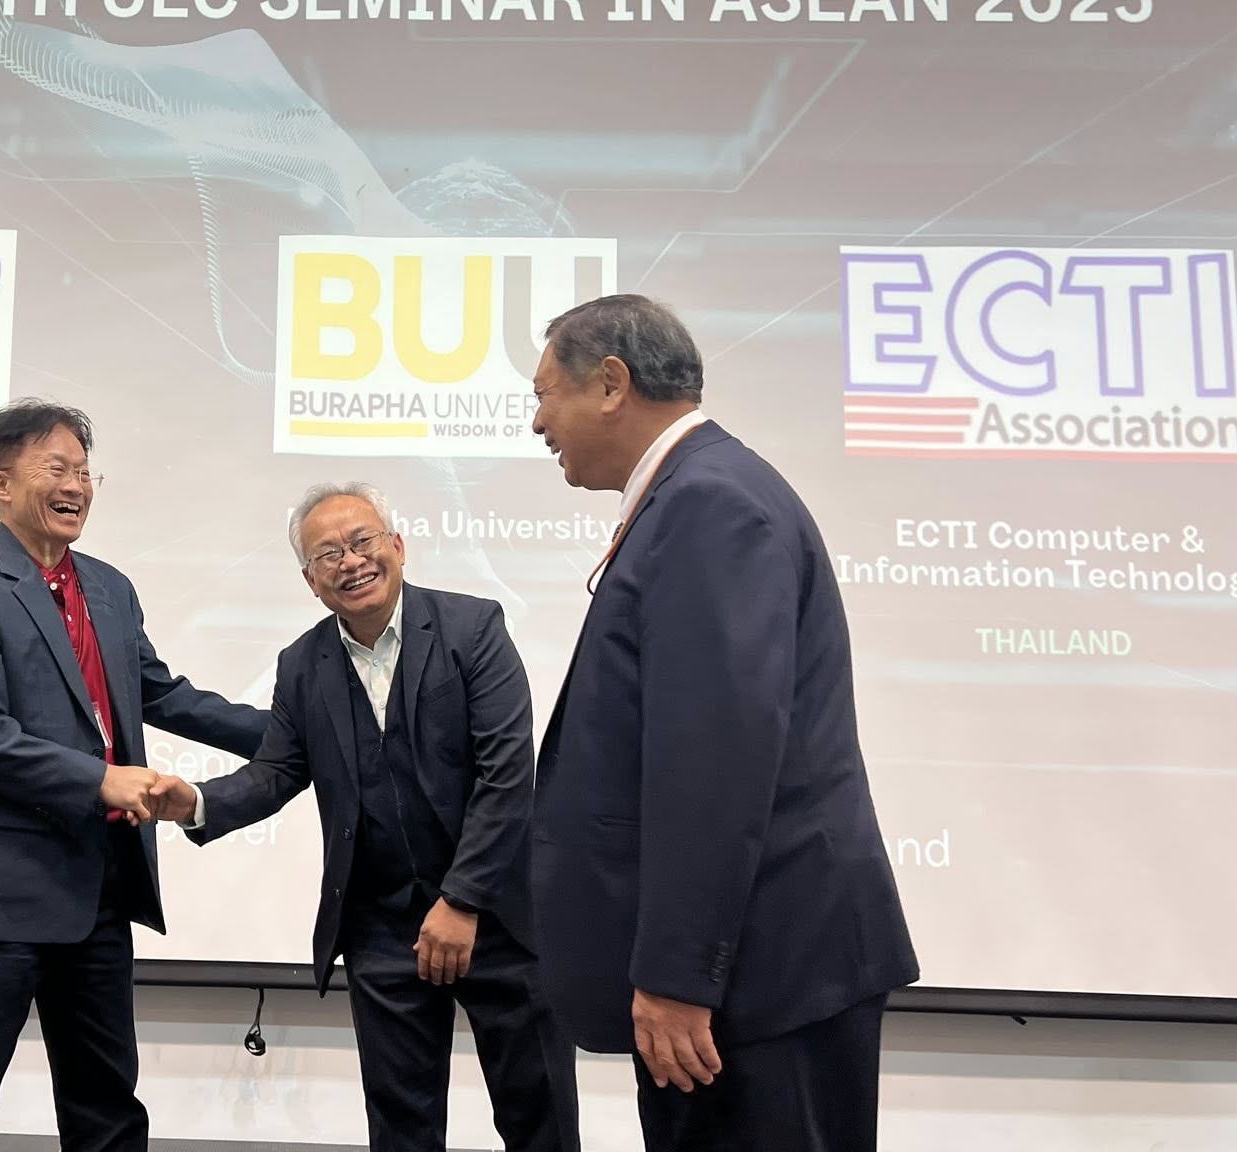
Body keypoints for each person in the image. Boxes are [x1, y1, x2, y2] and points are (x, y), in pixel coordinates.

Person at [525, 294, 920, 1150]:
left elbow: (714, 763)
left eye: (544, 394)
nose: (537, 423)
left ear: (611, 384)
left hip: (758, 980)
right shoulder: (700, 492)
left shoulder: (708, 504)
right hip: (755, 974)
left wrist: (678, 975)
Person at [159, 482, 581, 1152]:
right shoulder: (303, 663)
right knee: (400, 1130)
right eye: (328, 554)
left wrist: (461, 900)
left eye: (363, 541)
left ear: (398, 546)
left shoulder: (473, 628)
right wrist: (197, 802)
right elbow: (278, 770)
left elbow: (506, 773)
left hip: (497, 918)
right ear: (311, 581)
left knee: (540, 1121)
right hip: (381, 931)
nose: (351, 562)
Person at [0, 399, 268, 1152]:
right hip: (3, 900)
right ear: (0, 482)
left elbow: (163, 694)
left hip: (101, 892)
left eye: (85, 471)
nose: (76, 485)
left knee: (107, 1109)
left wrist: (292, 732)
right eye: (57, 468)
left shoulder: (109, 588)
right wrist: (99, 780)